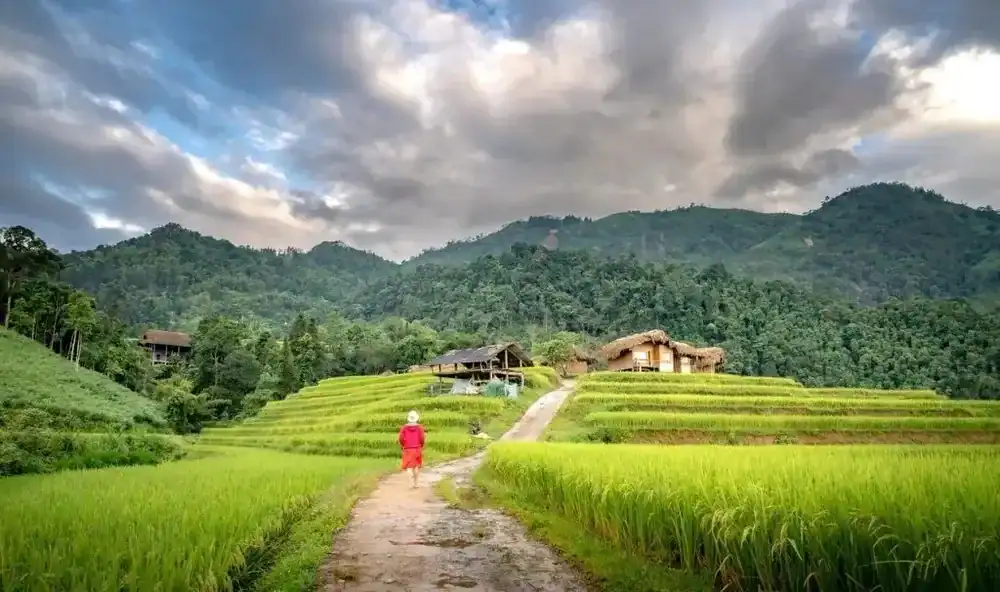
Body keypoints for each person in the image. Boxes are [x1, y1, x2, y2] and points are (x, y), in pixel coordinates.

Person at [398, 409, 425, 488]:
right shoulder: (420, 428)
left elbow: (401, 438)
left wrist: (403, 445)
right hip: (417, 449)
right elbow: (422, 438)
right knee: (416, 466)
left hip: (407, 449)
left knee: (409, 467)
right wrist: (421, 445)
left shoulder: (404, 428)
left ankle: (410, 484)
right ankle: (416, 484)